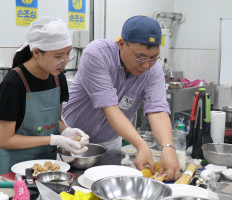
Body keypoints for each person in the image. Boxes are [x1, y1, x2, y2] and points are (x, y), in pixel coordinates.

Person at [62, 15, 180, 180]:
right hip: (72, 138)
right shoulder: (97, 54)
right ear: (122, 44)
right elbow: (110, 107)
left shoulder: (153, 71)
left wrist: (168, 148)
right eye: (140, 57)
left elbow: (157, 110)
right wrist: (140, 145)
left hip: (109, 143)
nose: (146, 65)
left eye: (153, 58)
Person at [0, 16, 89, 175]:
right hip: (12, 172)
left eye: (68, 54)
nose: (64, 61)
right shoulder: (14, 83)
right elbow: (5, 140)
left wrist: (66, 132)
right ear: (36, 52)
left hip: (46, 168)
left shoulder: (58, 78)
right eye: (58, 56)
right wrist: (53, 140)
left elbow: (56, 120)